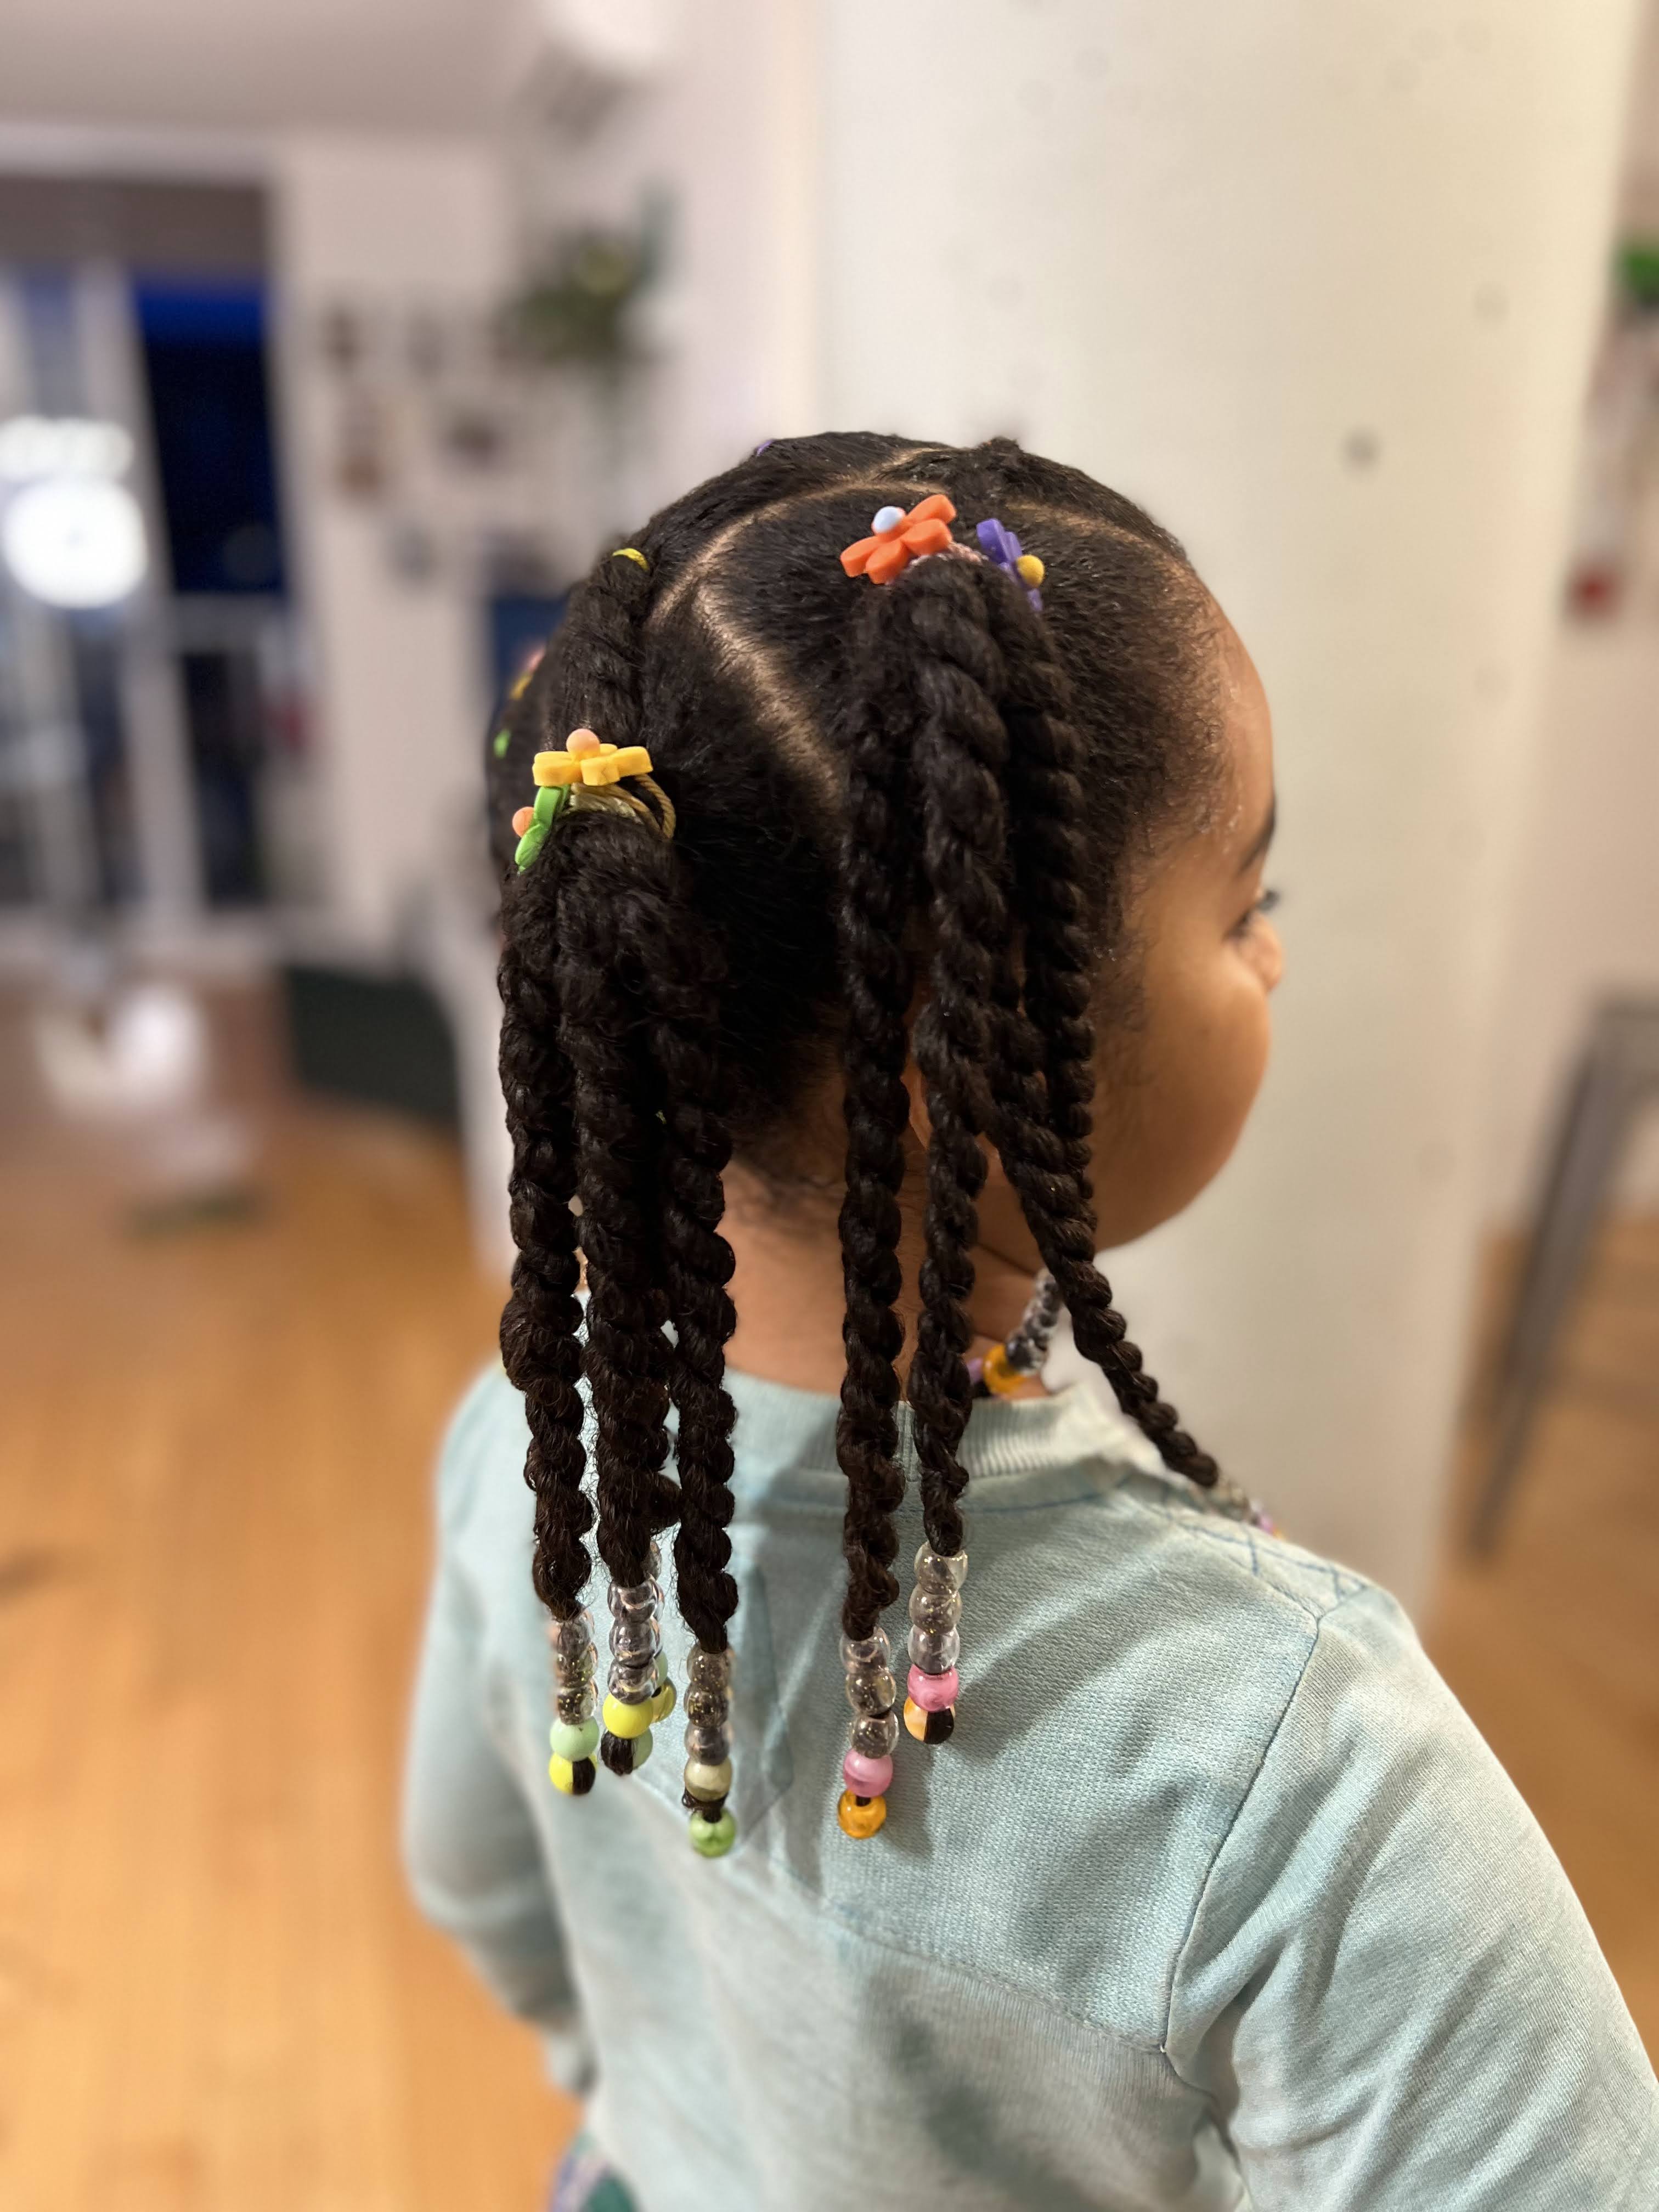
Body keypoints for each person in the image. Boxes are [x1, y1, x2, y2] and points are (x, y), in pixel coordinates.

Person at [403, 433, 1658, 2211]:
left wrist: (681, 2127)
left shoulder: (535, 1453)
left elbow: (474, 1878)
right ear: (960, 1053)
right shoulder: (1289, 1763)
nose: (1278, 958)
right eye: (1249, 905)